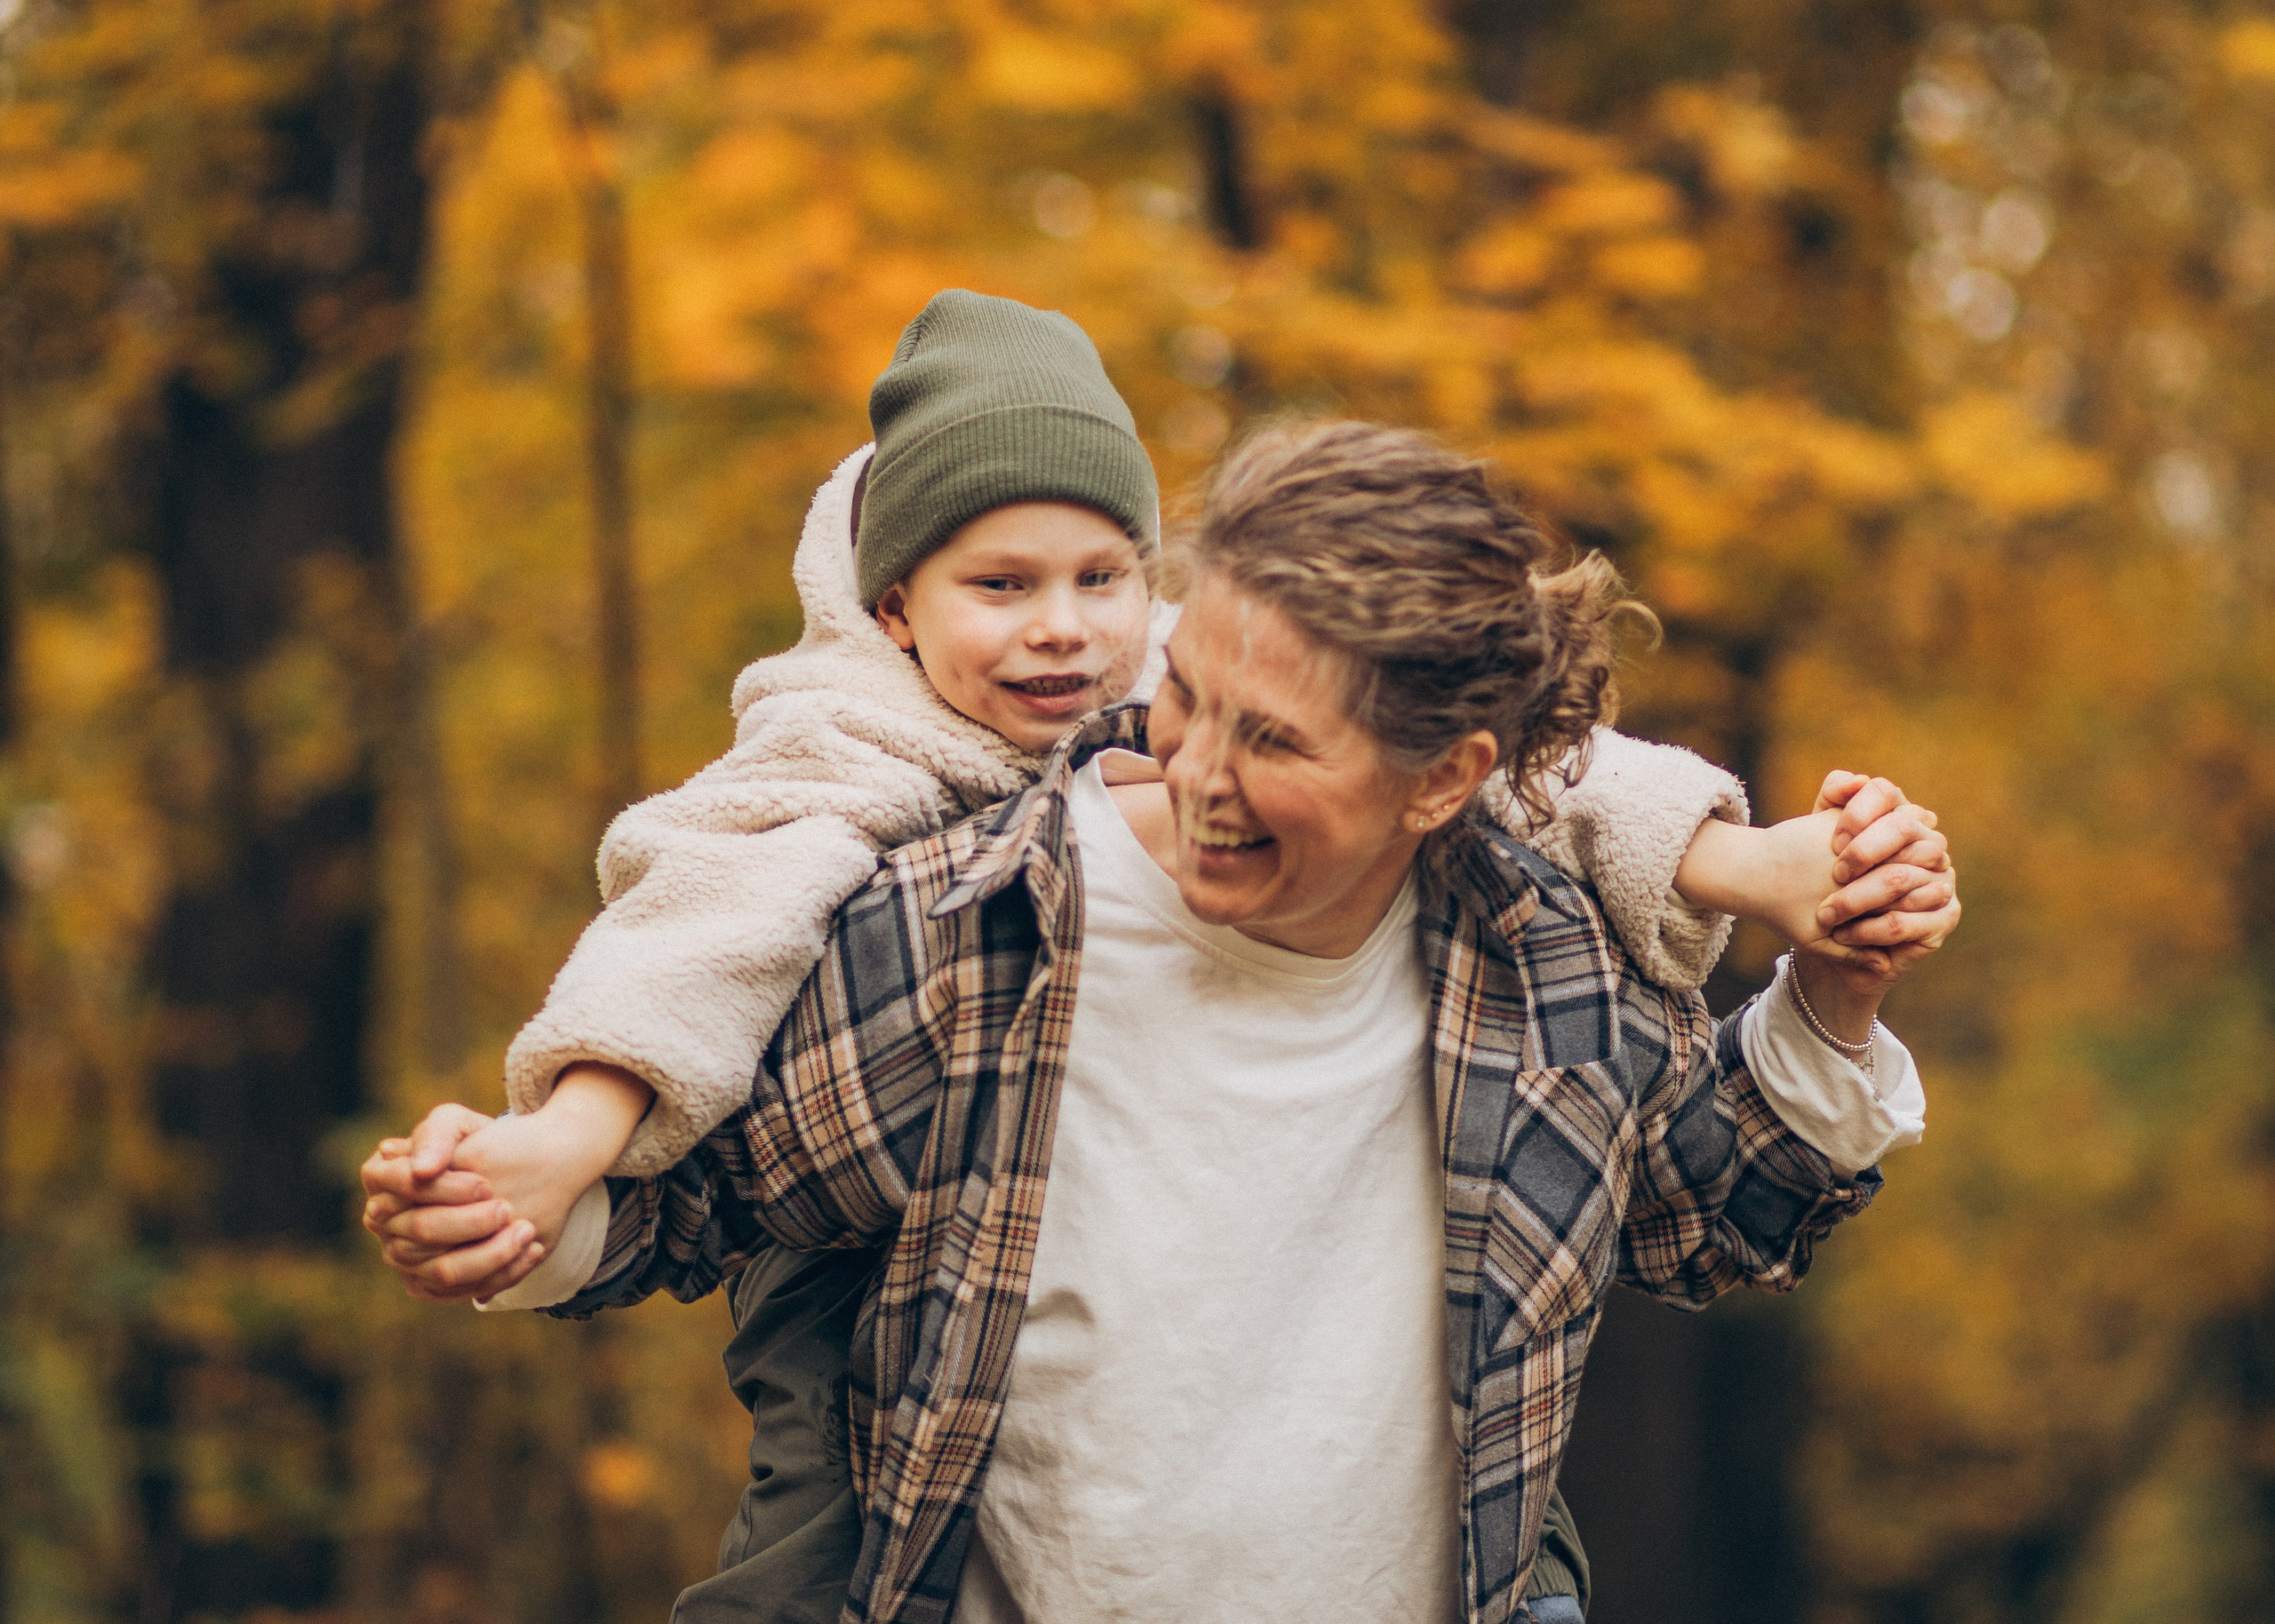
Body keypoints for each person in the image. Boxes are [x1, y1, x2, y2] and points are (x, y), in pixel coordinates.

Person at [368, 418, 1956, 1624]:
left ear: (1445, 778)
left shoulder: (1540, 967)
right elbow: (706, 1197)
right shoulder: (974, 929)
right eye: (1187, 694)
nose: (1195, 777)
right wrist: (514, 1213)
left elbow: (1703, 1222)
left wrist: (1834, 989)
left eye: (1271, 743)